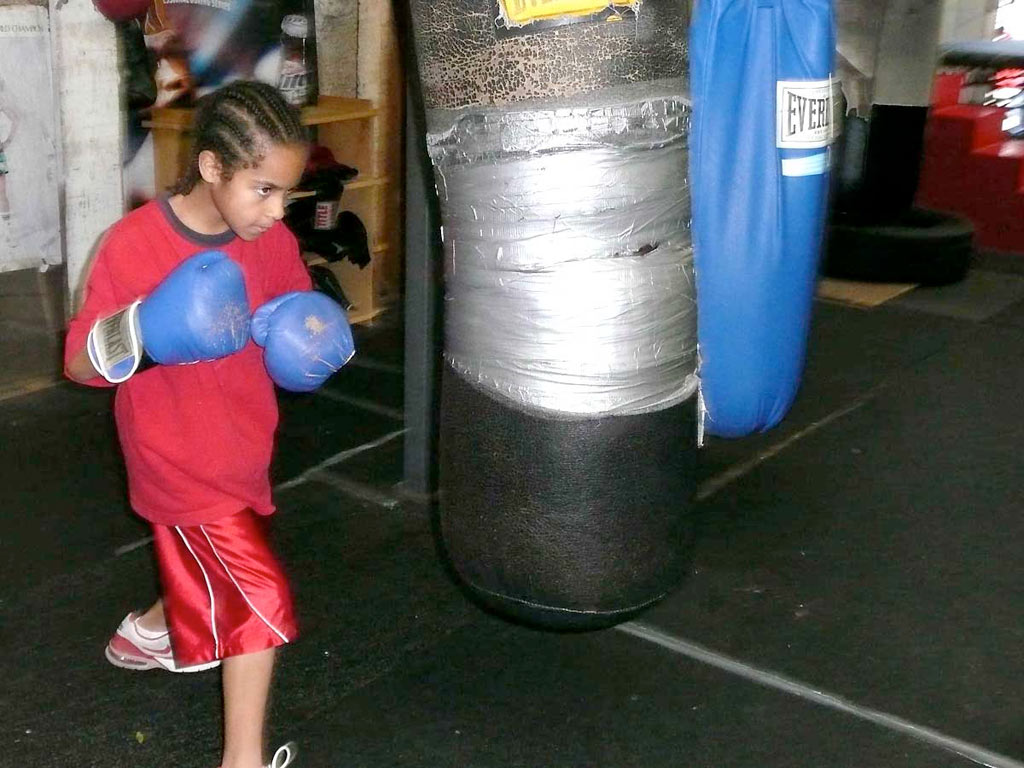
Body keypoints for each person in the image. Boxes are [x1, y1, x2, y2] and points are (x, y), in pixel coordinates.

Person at [64, 80, 354, 768]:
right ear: (213, 167)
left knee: (202, 561)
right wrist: (145, 329)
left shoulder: (271, 239)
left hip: (243, 447)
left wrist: (305, 330)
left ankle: (152, 632)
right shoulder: (133, 244)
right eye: (264, 190)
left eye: (287, 192)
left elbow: (294, 305)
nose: (278, 210)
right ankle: (242, 760)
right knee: (257, 597)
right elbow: (77, 362)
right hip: (176, 457)